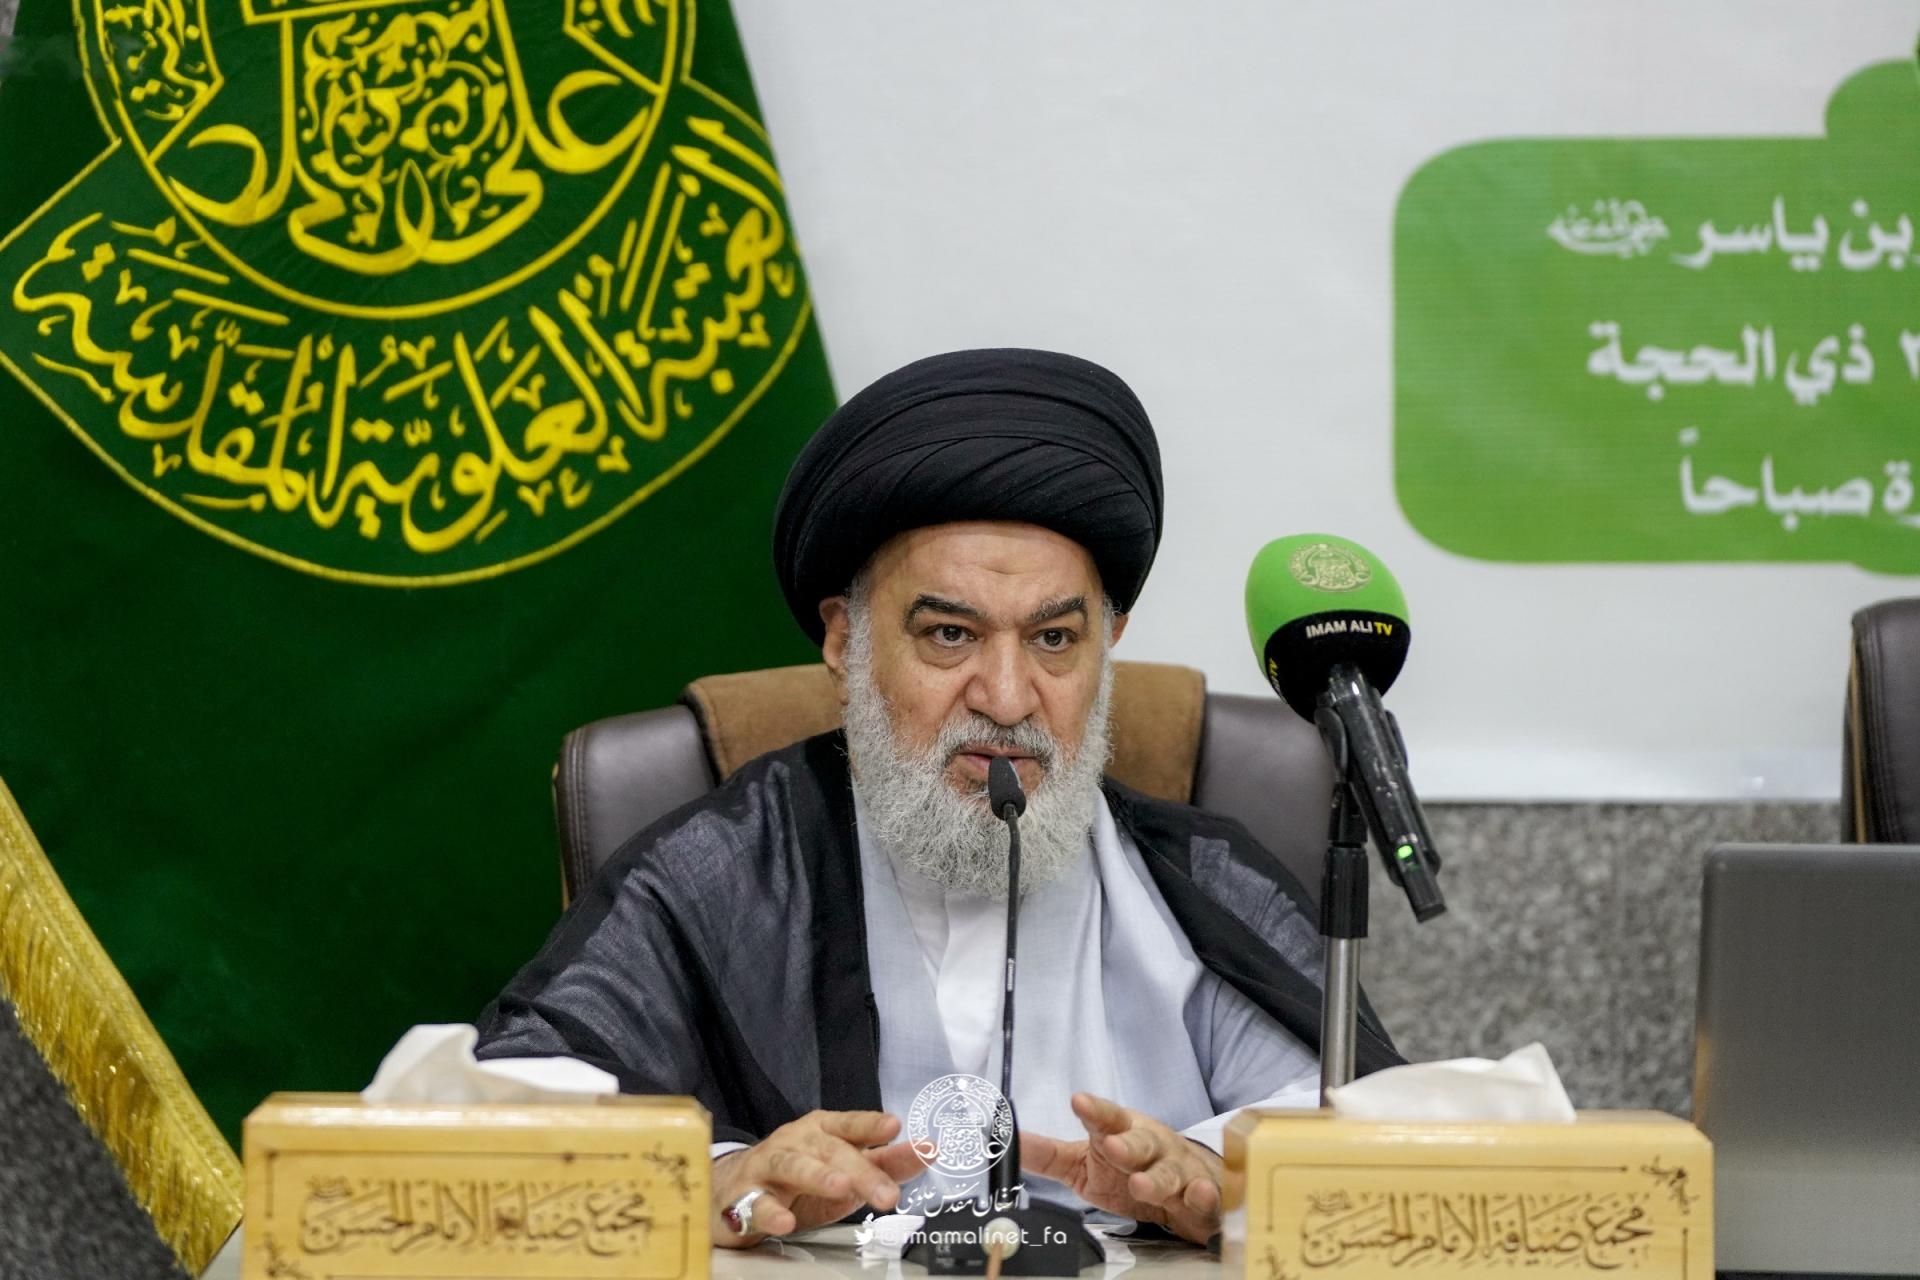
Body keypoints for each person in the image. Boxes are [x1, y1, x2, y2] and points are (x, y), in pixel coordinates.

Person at [475, 349, 1401, 1248]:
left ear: (1108, 645)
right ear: (846, 641)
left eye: (1054, 640)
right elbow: (509, 1123)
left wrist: (1218, 1179)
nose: (1007, 697)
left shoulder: (1194, 887)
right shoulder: (722, 871)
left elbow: (1362, 1133)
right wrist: (712, 1180)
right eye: (951, 635)